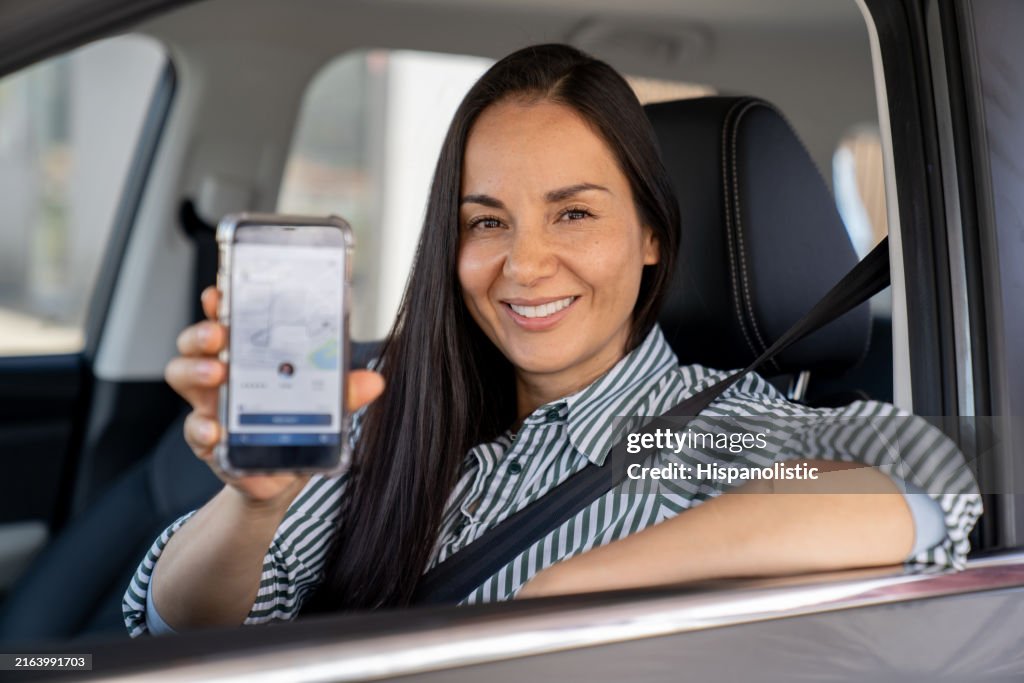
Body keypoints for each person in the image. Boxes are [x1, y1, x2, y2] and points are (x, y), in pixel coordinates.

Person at [123, 44, 981, 636]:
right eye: (486, 221)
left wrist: (563, 591)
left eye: (573, 214)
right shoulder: (392, 411)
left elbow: (926, 486)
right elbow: (178, 628)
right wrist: (253, 505)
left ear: (652, 234)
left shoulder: (672, 442)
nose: (525, 264)